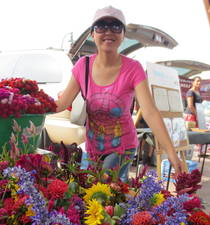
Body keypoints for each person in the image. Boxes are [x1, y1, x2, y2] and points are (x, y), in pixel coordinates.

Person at [56, 5, 183, 181]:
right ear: (93, 34)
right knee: (90, 190)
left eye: (116, 26)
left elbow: (150, 111)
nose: (108, 31)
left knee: (106, 185)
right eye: (101, 26)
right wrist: (27, 103)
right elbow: (61, 104)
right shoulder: (82, 66)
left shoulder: (133, 68)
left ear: (123, 35)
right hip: (93, 148)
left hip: (123, 146)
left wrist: (171, 152)